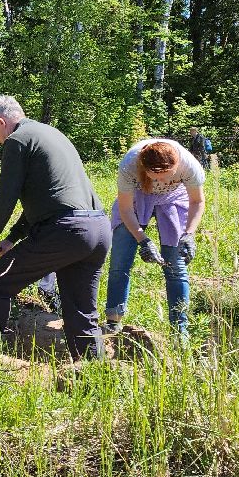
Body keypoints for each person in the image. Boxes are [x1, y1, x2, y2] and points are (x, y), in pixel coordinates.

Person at [0, 95, 110, 360]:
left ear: (0, 122)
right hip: (98, 229)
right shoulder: (51, 134)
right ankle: (94, 371)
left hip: (65, 231)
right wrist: (12, 238)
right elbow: (50, 199)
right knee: (81, 311)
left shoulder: (17, 140)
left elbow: (5, 197)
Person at [103, 137, 206, 337]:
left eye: (169, 176)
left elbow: (197, 201)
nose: (163, 182)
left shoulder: (189, 165)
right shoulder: (129, 166)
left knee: (176, 265)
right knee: (120, 262)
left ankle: (180, 331)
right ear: (144, 169)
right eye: (156, 177)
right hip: (138, 197)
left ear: (177, 166)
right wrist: (143, 240)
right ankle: (113, 321)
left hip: (174, 199)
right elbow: (125, 209)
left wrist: (189, 234)